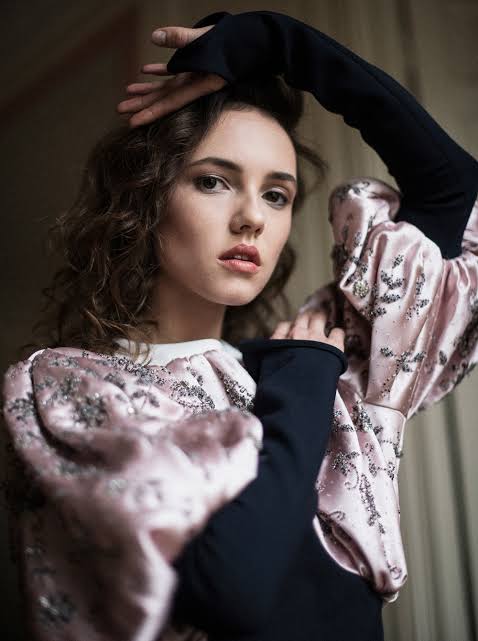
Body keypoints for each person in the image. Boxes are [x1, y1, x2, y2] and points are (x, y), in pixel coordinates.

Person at [1, 9, 477, 641]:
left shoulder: (323, 353)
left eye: (276, 195)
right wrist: (301, 392)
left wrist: (284, 45)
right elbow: (233, 590)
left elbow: (454, 190)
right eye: (214, 181)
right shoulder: (71, 387)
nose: (252, 216)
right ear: (148, 198)